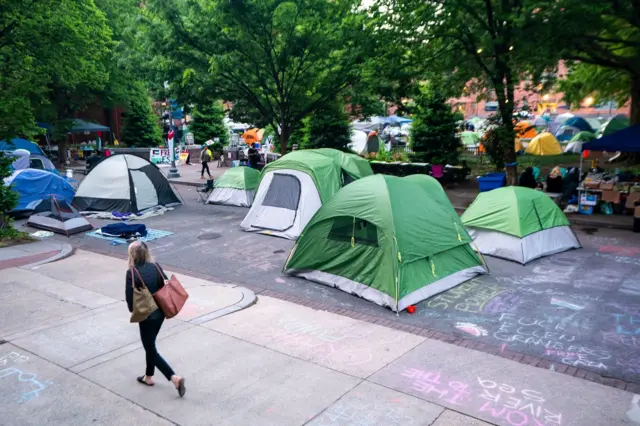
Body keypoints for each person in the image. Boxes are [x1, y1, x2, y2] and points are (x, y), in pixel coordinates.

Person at [125, 241, 186, 397]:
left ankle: (174, 378)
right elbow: (165, 284)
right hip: (160, 314)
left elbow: (130, 299)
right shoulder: (156, 267)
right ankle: (148, 377)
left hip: (146, 315)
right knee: (150, 345)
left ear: (133, 255)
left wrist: (134, 311)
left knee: (150, 348)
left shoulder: (132, 272)